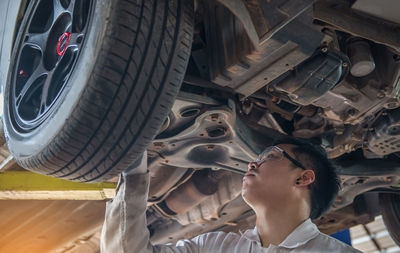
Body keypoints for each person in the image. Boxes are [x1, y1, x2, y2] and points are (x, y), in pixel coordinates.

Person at [100, 136, 361, 252]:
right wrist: (134, 169)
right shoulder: (212, 247)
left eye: (270, 156)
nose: (252, 164)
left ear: (303, 177)